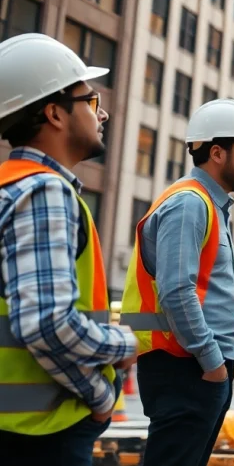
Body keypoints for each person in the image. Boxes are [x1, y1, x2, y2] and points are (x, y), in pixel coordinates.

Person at [0, 34, 138, 465]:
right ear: (55, 113)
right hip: (41, 433)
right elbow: (46, 323)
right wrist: (116, 359)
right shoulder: (43, 192)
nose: (104, 113)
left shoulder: (11, 186)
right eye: (91, 100)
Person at [120, 98, 234, 466]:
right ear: (217, 153)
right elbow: (176, 291)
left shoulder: (209, 204)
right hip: (185, 366)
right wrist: (212, 363)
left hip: (196, 367)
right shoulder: (190, 203)